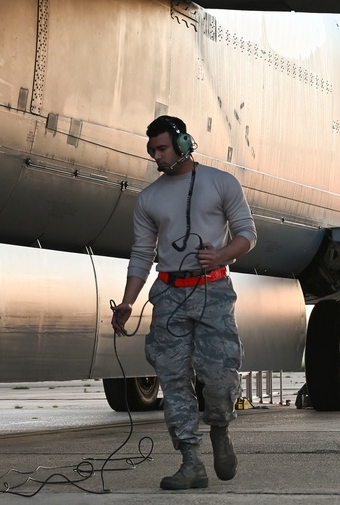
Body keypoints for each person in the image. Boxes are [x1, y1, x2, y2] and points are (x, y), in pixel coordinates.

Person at [111, 115, 256, 491]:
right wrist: (128, 301)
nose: (156, 156)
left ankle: (220, 430)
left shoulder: (221, 183)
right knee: (173, 380)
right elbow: (142, 253)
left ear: (184, 144)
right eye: (152, 150)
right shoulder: (149, 199)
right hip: (169, 295)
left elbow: (247, 234)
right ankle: (190, 462)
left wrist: (222, 255)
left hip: (213, 292)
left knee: (220, 380)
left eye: (162, 148)